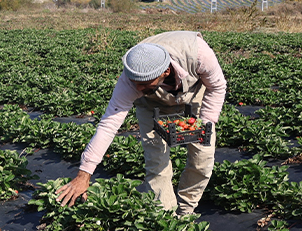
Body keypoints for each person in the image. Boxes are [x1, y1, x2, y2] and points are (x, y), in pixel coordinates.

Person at [57, 30, 226, 216]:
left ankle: (186, 210)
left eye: (144, 84)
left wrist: (205, 124)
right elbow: (108, 124)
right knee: (156, 163)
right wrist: (84, 174)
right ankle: (166, 219)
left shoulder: (199, 54)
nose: (137, 88)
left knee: (202, 159)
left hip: (192, 96)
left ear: (166, 72)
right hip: (151, 105)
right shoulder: (131, 81)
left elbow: (217, 86)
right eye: (134, 82)